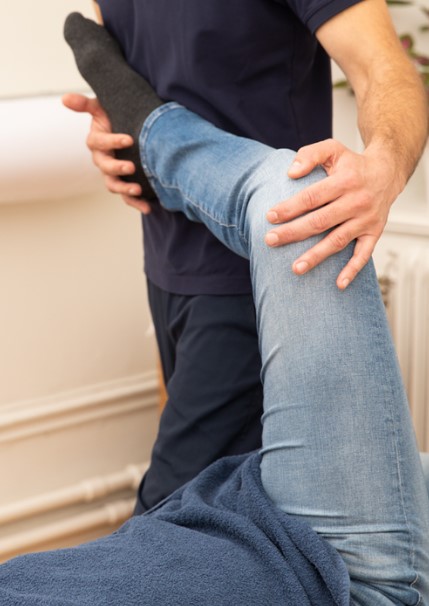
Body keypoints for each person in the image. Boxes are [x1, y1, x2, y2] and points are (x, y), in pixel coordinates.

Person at [1, 15, 428, 604]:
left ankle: (159, 140)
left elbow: (386, 68)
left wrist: (384, 163)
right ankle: (158, 141)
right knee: (214, 515)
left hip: (257, 281)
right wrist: (115, 142)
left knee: (174, 516)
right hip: (170, 263)